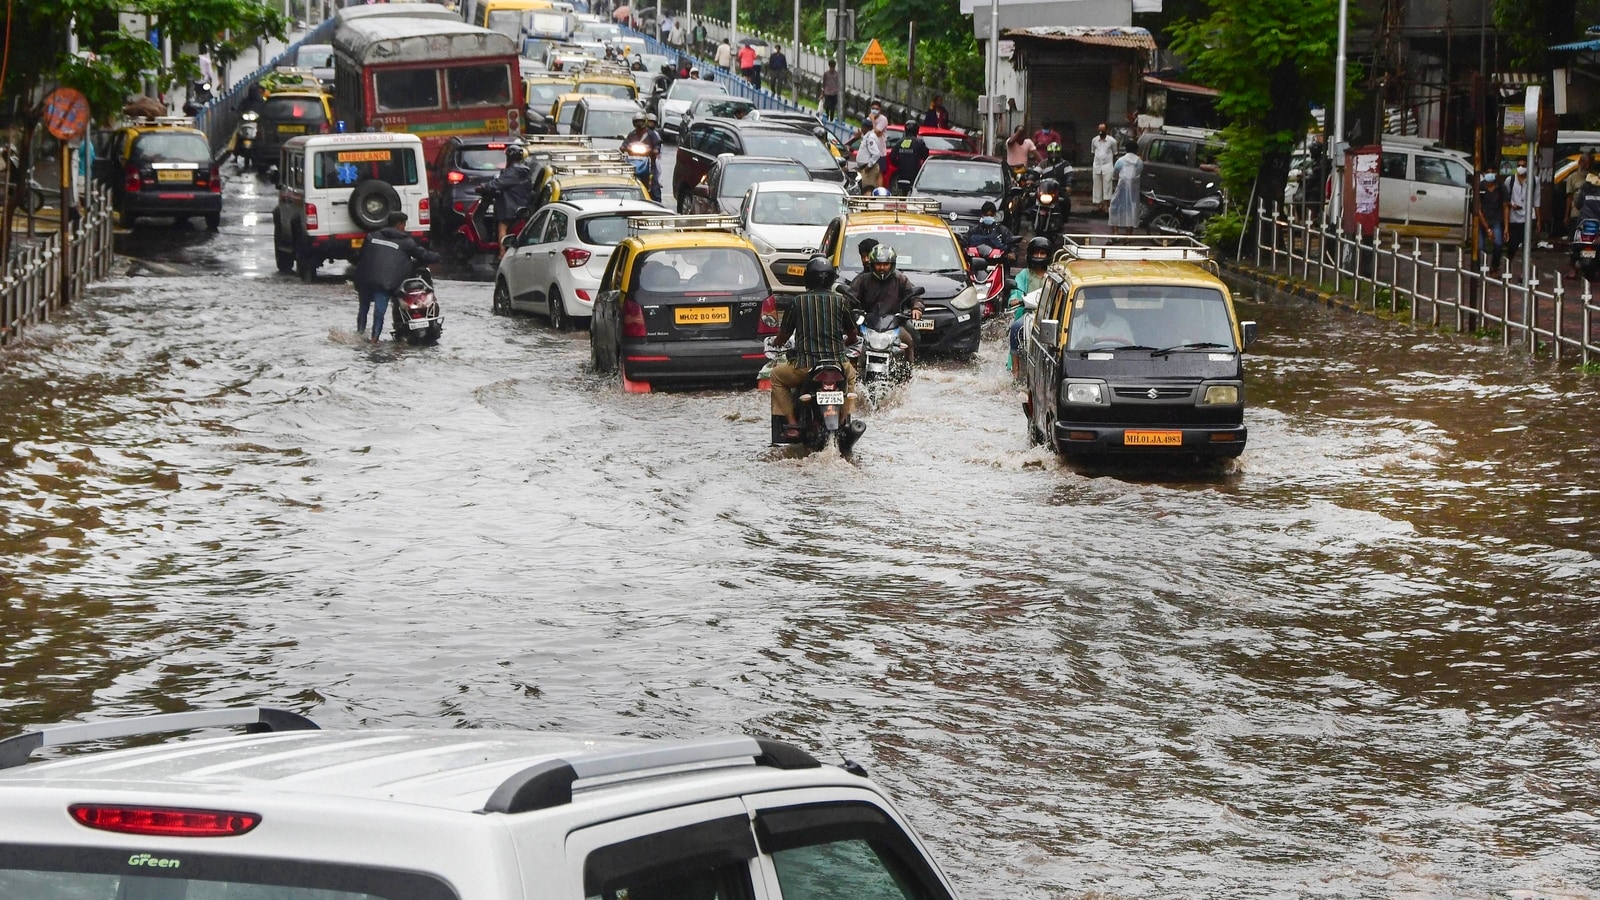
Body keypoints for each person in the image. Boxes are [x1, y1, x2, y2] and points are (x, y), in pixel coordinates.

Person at [769, 256, 862, 444]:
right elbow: (853, 335)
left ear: (807, 279)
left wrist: (776, 343)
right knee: (851, 376)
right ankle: (844, 418)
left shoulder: (797, 302)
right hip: (838, 366)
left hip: (805, 367)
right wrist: (842, 345)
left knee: (776, 377)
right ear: (831, 279)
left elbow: (784, 336)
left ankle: (792, 424)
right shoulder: (841, 301)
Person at [352, 211, 441, 343]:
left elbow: (360, 256)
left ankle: (359, 336)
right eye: (404, 225)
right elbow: (424, 255)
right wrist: (438, 257)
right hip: (385, 282)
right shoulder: (406, 242)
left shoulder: (371, 236)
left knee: (363, 308)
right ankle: (374, 340)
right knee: (379, 313)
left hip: (364, 279)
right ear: (400, 225)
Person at [842, 244, 924, 363]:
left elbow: (914, 296)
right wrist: (848, 310)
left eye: (886, 264)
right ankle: (850, 372)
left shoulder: (900, 279)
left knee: (909, 339)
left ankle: (908, 373)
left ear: (892, 264)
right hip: (866, 323)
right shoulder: (862, 280)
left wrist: (916, 308)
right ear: (872, 264)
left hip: (895, 324)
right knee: (848, 341)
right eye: (878, 264)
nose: (882, 267)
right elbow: (849, 298)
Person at [1006, 236, 1052, 373]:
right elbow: (1016, 292)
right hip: (1028, 315)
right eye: (1036, 253)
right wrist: (1015, 299)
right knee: (1015, 329)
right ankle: (1015, 370)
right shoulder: (1024, 274)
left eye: (1042, 253)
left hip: (1050, 315)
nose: (1038, 256)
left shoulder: (1053, 275)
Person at [488, 144, 534, 252]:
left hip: (509, 208)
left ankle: (502, 252)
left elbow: (498, 183)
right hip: (523, 206)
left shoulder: (512, 171)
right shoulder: (525, 171)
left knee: (502, 226)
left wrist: (484, 187)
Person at [1068, 296, 1135, 350]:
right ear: (1085, 304)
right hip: (1084, 363)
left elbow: (1132, 350)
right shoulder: (1076, 324)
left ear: (1105, 304)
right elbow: (1069, 354)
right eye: (1091, 302)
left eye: (1098, 302)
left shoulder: (1121, 324)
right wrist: (1080, 345)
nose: (1094, 306)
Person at [1505, 164, 1538, 267]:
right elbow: (1505, 200)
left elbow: (1537, 201)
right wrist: (1512, 205)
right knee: (1512, 246)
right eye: (1518, 165)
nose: (1521, 167)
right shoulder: (1509, 180)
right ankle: (1507, 266)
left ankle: (1524, 273)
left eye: (1524, 165)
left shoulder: (1534, 180)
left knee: (1526, 246)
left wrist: (1539, 220)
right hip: (1514, 218)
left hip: (1529, 217)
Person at [1475, 170, 1508, 273]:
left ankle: (1494, 267)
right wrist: (1487, 229)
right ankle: (1478, 269)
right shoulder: (1479, 187)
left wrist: (1506, 227)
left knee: (1498, 243)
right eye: (1487, 172)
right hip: (1481, 222)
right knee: (1479, 246)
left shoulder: (1501, 188)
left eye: (1492, 172)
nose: (1490, 174)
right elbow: (1477, 209)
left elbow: (1506, 206)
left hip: (1496, 220)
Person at [1108, 141, 1142, 235]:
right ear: (1136, 150)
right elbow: (1138, 174)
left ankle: (1115, 233)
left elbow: (1115, 175)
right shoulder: (1139, 162)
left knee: (1114, 209)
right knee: (1131, 212)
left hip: (1121, 189)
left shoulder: (1120, 161)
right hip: (1133, 192)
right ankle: (1128, 236)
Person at [889, 121, 929, 194]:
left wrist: (900, 164)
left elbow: (892, 157)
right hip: (916, 173)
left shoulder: (899, 142)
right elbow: (926, 156)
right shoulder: (919, 143)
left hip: (902, 173)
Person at [1089, 123, 1117, 215]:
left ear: (1107, 131)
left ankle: (1107, 206)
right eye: (1099, 130)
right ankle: (1099, 206)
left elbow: (1114, 152)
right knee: (1097, 186)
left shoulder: (1112, 141)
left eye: (1103, 130)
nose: (1101, 132)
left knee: (1107, 186)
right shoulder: (1094, 140)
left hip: (1108, 166)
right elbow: (1093, 152)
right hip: (1097, 166)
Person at [856, 116, 886, 191]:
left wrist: (869, 166)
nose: (861, 128)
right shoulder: (867, 136)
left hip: (869, 170)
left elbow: (876, 154)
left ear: (865, 128)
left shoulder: (870, 138)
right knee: (866, 190)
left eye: (862, 127)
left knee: (868, 190)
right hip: (865, 168)